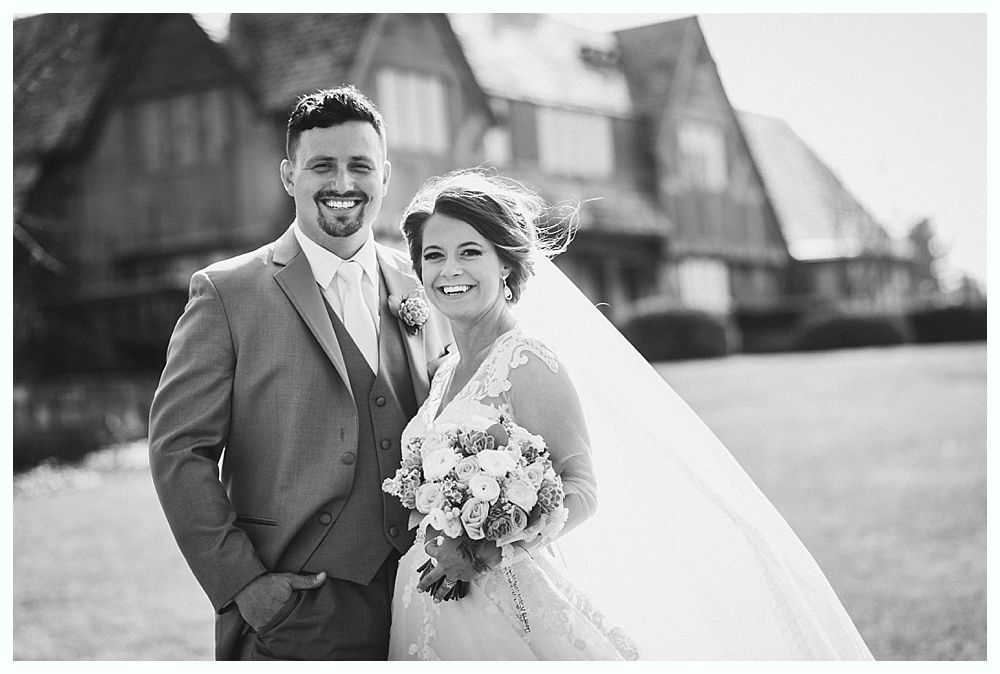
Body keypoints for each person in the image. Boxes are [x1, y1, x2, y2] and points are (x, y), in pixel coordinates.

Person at [386, 169, 875, 660]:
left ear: (506, 265)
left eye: (470, 252)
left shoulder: (526, 361)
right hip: (426, 603)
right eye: (434, 255)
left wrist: (484, 552)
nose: (450, 269)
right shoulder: (445, 371)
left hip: (505, 611)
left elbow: (581, 488)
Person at [148, 86, 450, 660]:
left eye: (360, 165)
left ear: (385, 175)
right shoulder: (227, 293)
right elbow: (178, 450)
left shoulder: (424, 284)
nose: (343, 183)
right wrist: (244, 585)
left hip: (427, 599)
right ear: (289, 176)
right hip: (295, 613)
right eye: (322, 166)